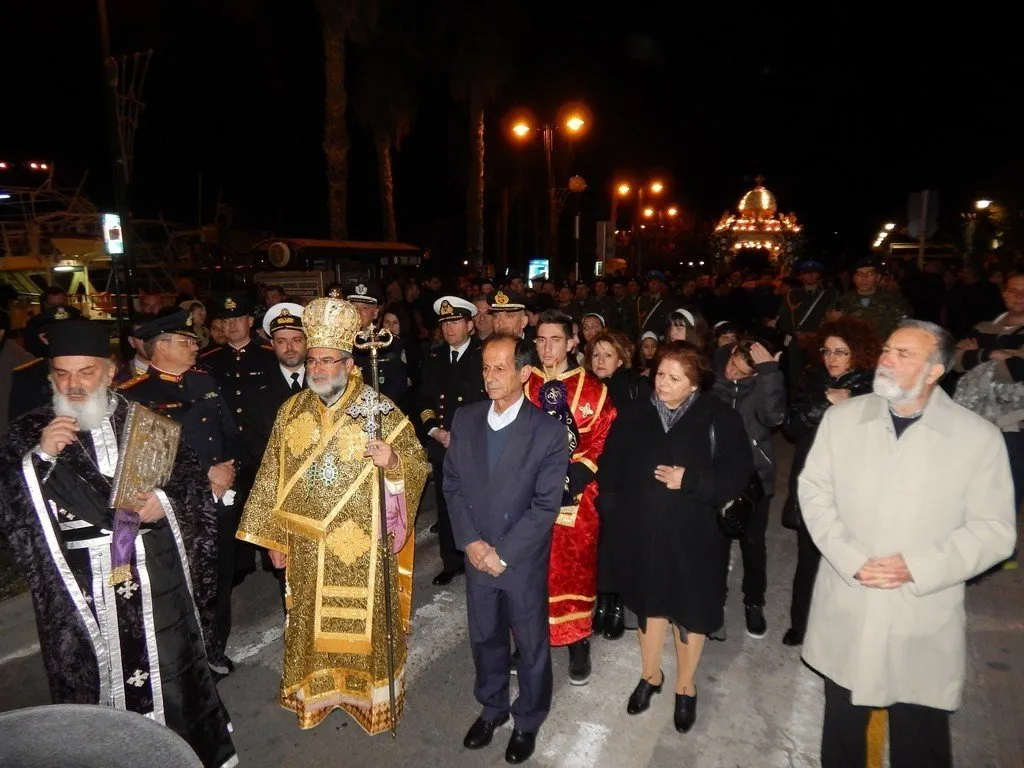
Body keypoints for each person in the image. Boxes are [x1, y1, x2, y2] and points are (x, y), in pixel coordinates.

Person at [0, 320, 237, 768]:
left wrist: (165, 503)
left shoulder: (148, 423)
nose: (73, 384)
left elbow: (189, 485)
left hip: (155, 573)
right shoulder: (28, 433)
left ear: (109, 372)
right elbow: (12, 517)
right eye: (62, 373)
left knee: (173, 668)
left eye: (86, 372)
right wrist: (40, 460)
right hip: (82, 586)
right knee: (94, 677)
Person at [799, 319, 1017, 768]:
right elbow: (814, 492)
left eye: (904, 354)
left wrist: (917, 566)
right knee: (842, 726)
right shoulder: (843, 419)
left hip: (920, 608)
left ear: (935, 370)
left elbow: (994, 530)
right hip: (850, 597)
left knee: (919, 731)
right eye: (886, 350)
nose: (886, 360)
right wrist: (850, 558)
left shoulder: (976, 438)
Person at [236, 296, 429, 733]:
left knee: (365, 628)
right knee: (311, 627)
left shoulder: (378, 410)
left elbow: (417, 465)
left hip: (363, 546)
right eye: (313, 360)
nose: (317, 368)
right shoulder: (291, 411)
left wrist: (394, 462)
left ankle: (370, 700)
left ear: (348, 363)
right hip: (306, 547)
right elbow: (270, 477)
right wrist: (274, 539)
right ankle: (318, 697)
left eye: (327, 360)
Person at [598, 342, 753, 734]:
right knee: (648, 606)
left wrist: (691, 481)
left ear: (695, 384)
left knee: (689, 612)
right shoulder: (636, 413)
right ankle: (650, 676)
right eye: (660, 374)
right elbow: (610, 463)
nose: (662, 384)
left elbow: (738, 476)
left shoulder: (720, 418)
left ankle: (685, 685)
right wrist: (611, 508)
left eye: (674, 378)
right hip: (642, 535)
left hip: (695, 539)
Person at [443, 334, 568, 765]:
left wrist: (503, 553)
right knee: (485, 637)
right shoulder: (466, 419)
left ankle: (528, 718)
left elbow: (546, 505)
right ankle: (493, 707)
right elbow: (452, 485)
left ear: (525, 372)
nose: (490, 377)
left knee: (530, 643)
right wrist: (472, 543)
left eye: (500, 368)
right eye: (485, 368)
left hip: (520, 560)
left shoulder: (548, 431)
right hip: (477, 554)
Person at [117, 311, 241, 677]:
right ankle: (187, 661)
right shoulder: (135, 395)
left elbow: (229, 433)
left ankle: (215, 649)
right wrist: (205, 475)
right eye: (186, 341)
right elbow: (142, 464)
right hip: (174, 508)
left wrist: (228, 472)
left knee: (219, 581)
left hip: (218, 500)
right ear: (161, 346)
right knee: (181, 586)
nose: (195, 345)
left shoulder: (204, 381)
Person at [524, 309, 616, 685]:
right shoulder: (523, 383)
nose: (548, 348)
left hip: (575, 496)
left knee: (572, 570)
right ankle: (529, 640)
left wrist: (574, 476)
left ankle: (578, 642)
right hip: (526, 494)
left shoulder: (594, 390)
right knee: (528, 568)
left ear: (572, 342)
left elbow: (603, 440)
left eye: (556, 340)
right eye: (541, 340)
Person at [781, 317, 880, 645]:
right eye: (827, 350)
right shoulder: (812, 378)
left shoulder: (875, 386)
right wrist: (826, 401)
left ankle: (845, 628)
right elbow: (791, 427)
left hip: (854, 484)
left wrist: (849, 401)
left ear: (859, 353)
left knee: (847, 559)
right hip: (814, 479)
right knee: (808, 556)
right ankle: (801, 624)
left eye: (841, 352)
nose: (831, 358)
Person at [710, 338, 786, 640]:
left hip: (755, 477)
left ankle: (754, 602)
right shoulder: (712, 376)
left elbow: (774, 417)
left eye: (742, 373)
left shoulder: (763, 383)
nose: (733, 373)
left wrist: (770, 373)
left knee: (753, 543)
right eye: (732, 365)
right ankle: (715, 601)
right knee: (716, 542)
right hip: (717, 475)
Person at [417, 296, 487, 586]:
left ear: (470, 325)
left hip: (476, 446)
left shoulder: (483, 356)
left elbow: (490, 402)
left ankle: (478, 559)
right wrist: (434, 430)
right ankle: (451, 561)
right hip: (442, 444)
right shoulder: (434, 358)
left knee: (477, 505)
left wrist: (464, 435)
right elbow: (423, 399)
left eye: (456, 321)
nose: (449, 327)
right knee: (447, 505)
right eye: (445, 322)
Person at [586, 329, 651, 640]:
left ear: (621, 359)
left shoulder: (634, 388)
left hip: (624, 477)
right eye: (596, 355)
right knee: (596, 541)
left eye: (607, 355)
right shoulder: (586, 387)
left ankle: (616, 604)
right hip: (592, 474)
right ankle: (600, 601)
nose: (600, 361)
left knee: (617, 541)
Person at [8, 305, 85, 421]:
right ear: (44, 338)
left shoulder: (97, 369)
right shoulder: (28, 378)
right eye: (62, 335)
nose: (70, 339)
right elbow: (19, 425)